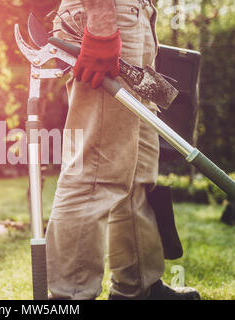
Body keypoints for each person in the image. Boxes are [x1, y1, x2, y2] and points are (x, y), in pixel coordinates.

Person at [45, 0, 200, 300]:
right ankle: (70, 297)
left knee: (137, 172)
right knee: (94, 173)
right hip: (109, 12)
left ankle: (139, 287)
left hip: (136, 15)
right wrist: (101, 21)